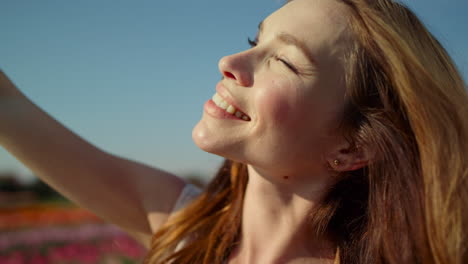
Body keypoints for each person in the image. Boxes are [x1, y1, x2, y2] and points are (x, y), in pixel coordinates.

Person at [0, 0, 467, 263]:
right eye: (254, 41)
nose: (229, 63)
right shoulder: (181, 227)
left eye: (283, 61)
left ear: (352, 147)